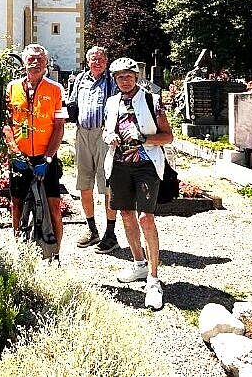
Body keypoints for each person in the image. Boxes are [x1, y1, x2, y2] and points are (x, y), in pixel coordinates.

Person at [102, 57, 173, 311]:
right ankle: (139, 263)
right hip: (119, 164)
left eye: (129, 76)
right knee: (126, 215)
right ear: (114, 79)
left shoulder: (152, 100)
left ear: (136, 76)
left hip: (146, 165)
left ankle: (154, 279)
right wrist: (108, 134)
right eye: (120, 77)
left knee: (146, 218)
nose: (124, 80)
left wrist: (144, 138)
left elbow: (168, 136)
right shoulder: (111, 103)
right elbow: (106, 129)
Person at [4, 44, 67, 252]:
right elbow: (6, 123)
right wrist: (14, 152)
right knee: (17, 205)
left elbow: (59, 128)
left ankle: (55, 253)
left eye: (40, 59)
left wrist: (48, 158)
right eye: (31, 58)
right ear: (23, 62)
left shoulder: (56, 89)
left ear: (47, 63)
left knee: (54, 207)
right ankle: (20, 252)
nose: (35, 62)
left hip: (45, 158)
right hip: (19, 158)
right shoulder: (12, 88)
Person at [68, 46, 119, 252]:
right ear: (87, 61)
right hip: (82, 133)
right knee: (84, 182)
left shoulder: (111, 81)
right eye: (93, 59)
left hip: (103, 134)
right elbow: (72, 102)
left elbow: (119, 106)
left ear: (106, 61)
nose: (97, 62)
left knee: (108, 184)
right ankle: (92, 229)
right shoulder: (80, 79)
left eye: (100, 59)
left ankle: (110, 233)